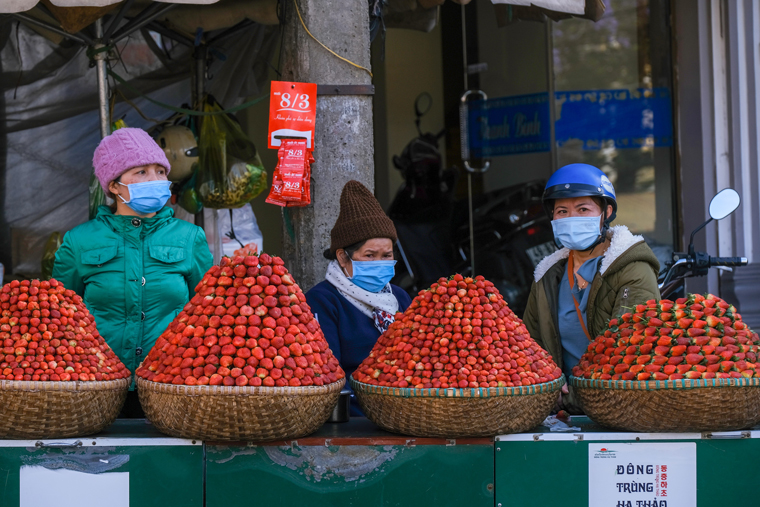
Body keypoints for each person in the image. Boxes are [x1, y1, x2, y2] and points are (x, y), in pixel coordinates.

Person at [53, 128, 213, 416]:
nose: (154, 180)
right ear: (114, 186)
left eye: (160, 171)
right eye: (140, 172)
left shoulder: (190, 238)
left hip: (172, 383)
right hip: (96, 385)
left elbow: (210, 314)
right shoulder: (79, 241)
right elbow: (59, 319)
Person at [522, 164, 660, 413]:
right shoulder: (546, 277)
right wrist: (544, 393)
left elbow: (632, 350)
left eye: (583, 209)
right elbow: (529, 347)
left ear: (606, 213)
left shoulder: (634, 269)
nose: (571, 218)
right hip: (559, 412)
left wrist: (572, 397)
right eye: (562, 211)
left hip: (619, 407)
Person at [306, 181, 412, 413]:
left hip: (407, 411)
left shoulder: (400, 298)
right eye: (370, 255)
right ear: (343, 257)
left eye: (387, 255)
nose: (380, 263)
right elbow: (327, 373)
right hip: (354, 417)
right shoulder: (323, 301)